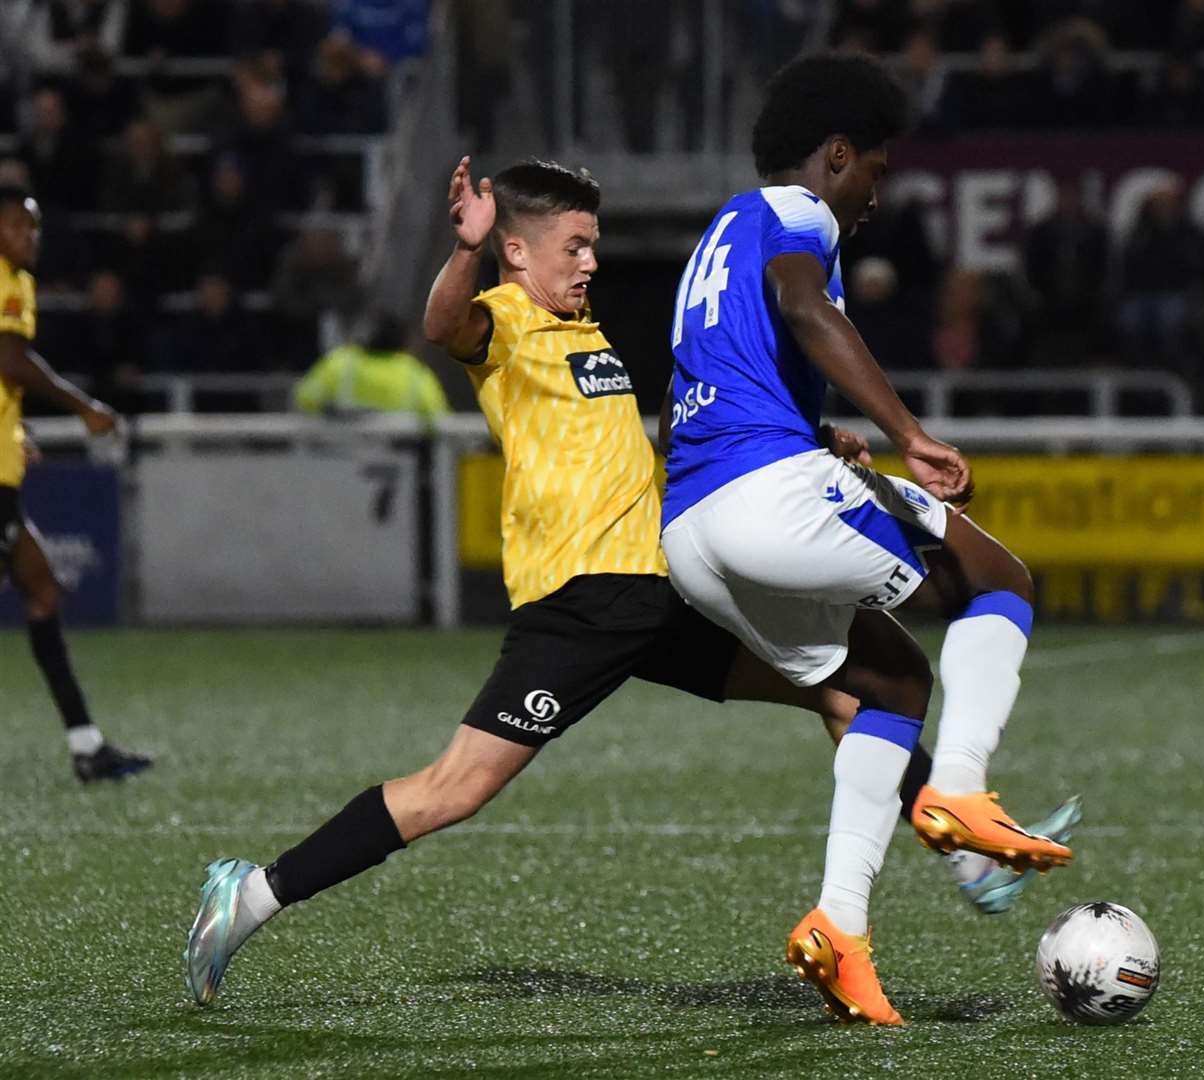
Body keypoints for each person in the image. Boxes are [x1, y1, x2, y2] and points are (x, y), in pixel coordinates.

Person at [183, 156, 1080, 1011]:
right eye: (574, 245)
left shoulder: (590, 335)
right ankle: (253, 894)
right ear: (516, 249)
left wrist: (806, 443)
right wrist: (464, 249)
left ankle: (964, 855)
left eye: (594, 243)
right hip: (580, 604)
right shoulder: (499, 321)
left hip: (662, 592)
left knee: (852, 696)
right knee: (452, 790)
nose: (591, 259)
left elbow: (662, 440)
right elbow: (440, 326)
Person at [659, 53, 1073, 1026]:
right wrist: (909, 433)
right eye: (877, 170)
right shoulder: (801, 214)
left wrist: (821, 434)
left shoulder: (720, 232)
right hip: (767, 500)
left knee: (888, 683)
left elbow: (733, 365)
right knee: (998, 576)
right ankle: (960, 791)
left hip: (691, 529)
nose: (879, 193)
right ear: (836, 156)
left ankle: (840, 928)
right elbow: (805, 311)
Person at [0, 186, 152, 783]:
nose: (28, 238)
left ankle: (87, 747)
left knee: (43, 591)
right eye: (16, 226)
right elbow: (9, 361)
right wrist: (83, 406)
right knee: (42, 590)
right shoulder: (7, 280)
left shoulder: (18, 279)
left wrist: (17, 430)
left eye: (33, 228)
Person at [293, 311, 448, 424]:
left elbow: (303, 399)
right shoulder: (414, 373)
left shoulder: (340, 364)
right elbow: (438, 418)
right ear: (403, 341)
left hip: (339, 461)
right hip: (400, 464)